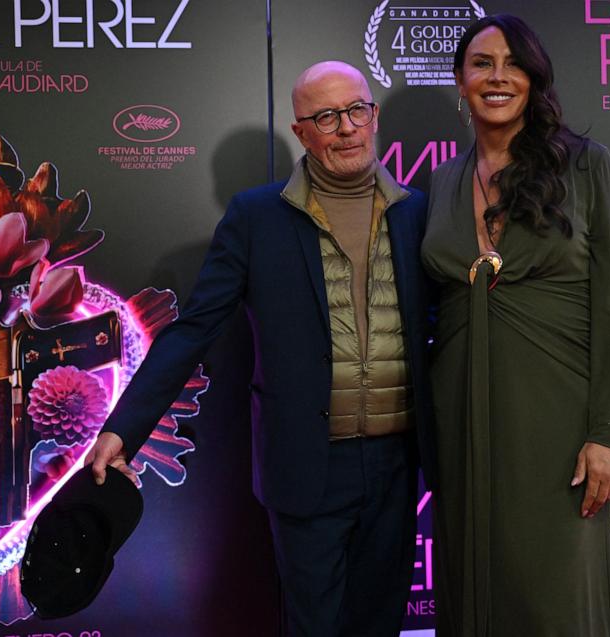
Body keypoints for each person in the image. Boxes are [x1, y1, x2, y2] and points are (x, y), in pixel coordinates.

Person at [86, 61, 436, 637]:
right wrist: (123, 428)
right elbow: (194, 329)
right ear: (301, 131)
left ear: (373, 117)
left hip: (398, 466)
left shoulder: (418, 212)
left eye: (357, 111)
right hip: (306, 466)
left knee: (380, 624)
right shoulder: (256, 217)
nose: (347, 128)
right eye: (327, 117)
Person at [421, 14, 610, 636]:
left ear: (534, 78)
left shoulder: (586, 168)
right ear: (460, 82)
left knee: (556, 597)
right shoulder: (441, 182)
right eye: (481, 63)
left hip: (560, 428)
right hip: (463, 421)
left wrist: (609, 435)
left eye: (513, 64)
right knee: (473, 589)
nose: (498, 77)